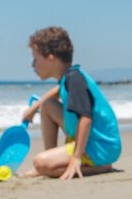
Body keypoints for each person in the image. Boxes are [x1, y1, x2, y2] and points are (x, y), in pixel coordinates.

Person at [22, 26, 120, 179]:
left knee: (40, 162)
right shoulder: (69, 77)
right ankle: (51, 158)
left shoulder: (75, 79)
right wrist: (35, 107)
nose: (32, 65)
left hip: (100, 146)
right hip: (93, 142)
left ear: (50, 58)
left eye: (36, 59)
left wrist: (76, 158)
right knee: (48, 105)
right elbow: (57, 90)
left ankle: (100, 167)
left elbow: (86, 118)